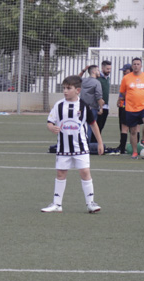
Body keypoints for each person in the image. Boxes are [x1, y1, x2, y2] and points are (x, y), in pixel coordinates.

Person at [41, 75, 103, 215]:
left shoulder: (84, 106)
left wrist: (100, 142)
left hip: (80, 147)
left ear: (78, 90)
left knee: (85, 172)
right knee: (61, 173)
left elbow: (93, 124)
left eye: (68, 88)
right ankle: (57, 204)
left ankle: (90, 203)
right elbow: (50, 122)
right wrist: (51, 127)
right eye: (64, 88)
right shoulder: (59, 105)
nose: (65, 91)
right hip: (63, 147)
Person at [120, 58, 144, 159]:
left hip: (143, 106)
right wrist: (131, 97)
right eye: (134, 64)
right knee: (133, 131)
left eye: (138, 64)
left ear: (141, 66)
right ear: (132, 66)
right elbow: (122, 91)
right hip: (131, 108)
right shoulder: (126, 78)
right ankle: (135, 152)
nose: (136, 66)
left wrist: (140, 97)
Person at [79, 65, 104, 144]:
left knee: (81, 126)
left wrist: (83, 70)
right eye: (97, 70)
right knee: (90, 127)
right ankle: (86, 144)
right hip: (92, 108)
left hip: (81, 107)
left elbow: (76, 79)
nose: (99, 72)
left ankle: (80, 143)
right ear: (93, 71)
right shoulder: (97, 82)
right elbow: (98, 96)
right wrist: (101, 107)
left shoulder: (83, 80)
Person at [96, 61, 115, 153]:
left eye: (110, 69)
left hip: (106, 106)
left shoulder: (107, 78)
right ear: (102, 68)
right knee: (97, 126)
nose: (109, 70)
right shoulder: (98, 78)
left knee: (101, 126)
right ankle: (94, 144)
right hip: (99, 107)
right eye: (107, 69)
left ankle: (97, 143)